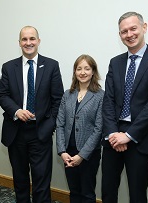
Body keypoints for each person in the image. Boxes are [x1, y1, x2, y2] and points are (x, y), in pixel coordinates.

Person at [101, 12, 148, 202]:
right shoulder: (115, 62)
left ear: (144, 27)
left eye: (133, 28)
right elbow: (108, 100)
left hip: (141, 137)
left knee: (137, 194)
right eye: (124, 31)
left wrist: (129, 135)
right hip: (113, 137)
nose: (129, 34)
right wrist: (113, 134)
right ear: (119, 35)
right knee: (108, 191)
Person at [0, 25, 64, 203]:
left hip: (40, 131)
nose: (28, 43)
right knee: (20, 181)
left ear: (38, 41)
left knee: (41, 181)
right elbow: (2, 95)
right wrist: (16, 111)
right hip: (16, 131)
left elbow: (58, 100)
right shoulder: (8, 67)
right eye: (24, 39)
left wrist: (49, 126)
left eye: (32, 39)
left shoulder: (51, 66)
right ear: (19, 42)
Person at [56, 54, 103, 203]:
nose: (83, 72)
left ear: (93, 71)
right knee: (74, 191)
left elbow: (99, 128)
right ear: (75, 72)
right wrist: (62, 151)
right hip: (68, 153)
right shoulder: (67, 94)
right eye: (79, 69)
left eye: (87, 68)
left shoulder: (100, 96)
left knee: (87, 193)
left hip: (88, 154)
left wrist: (82, 155)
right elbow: (60, 124)